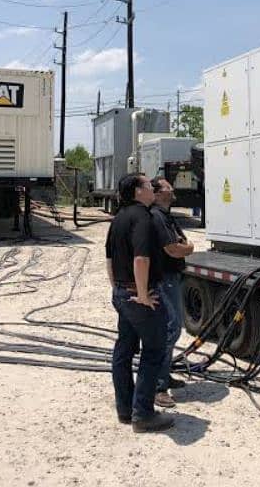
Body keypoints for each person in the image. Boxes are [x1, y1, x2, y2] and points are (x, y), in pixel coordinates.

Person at [105, 173, 175, 433]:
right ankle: (143, 414)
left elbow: (109, 260)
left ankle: (125, 409)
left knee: (123, 350)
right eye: (148, 186)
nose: (153, 189)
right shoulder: (143, 217)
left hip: (122, 294)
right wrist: (143, 294)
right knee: (154, 350)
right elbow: (141, 259)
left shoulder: (118, 219)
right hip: (139, 296)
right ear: (137, 192)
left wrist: (117, 290)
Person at [149, 177, 195, 408]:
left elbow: (181, 241)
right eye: (167, 186)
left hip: (171, 277)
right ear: (157, 194)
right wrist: (189, 248)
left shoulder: (166, 215)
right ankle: (158, 387)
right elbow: (175, 248)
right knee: (170, 329)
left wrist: (183, 245)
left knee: (173, 328)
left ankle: (163, 376)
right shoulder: (157, 217)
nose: (172, 188)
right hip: (164, 278)